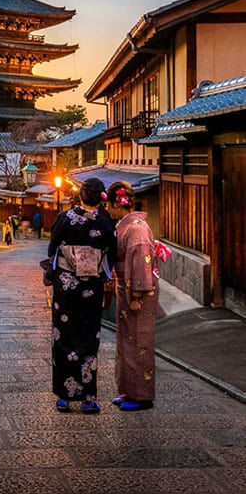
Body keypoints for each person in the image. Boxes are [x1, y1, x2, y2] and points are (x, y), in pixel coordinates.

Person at [46, 177, 116, 414]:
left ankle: (64, 397)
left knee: (63, 337)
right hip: (91, 288)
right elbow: (111, 255)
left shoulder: (64, 218)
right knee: (88, 339)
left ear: (81, 195)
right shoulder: (106, 223)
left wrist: (57, 270)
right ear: (101, 198)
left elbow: (53, 248)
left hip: (66, 287)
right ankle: (88, 398)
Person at [105, 181, 159, 411]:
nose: (106, 208)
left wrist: (137, 294)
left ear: (119, 202)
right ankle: (127, 389)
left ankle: (142, 396)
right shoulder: (126, 225)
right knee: (127, 340)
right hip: (126, 289)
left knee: (139, 342)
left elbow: (140, 263)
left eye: (109, 204)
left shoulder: (136, 229)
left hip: (138, 293)